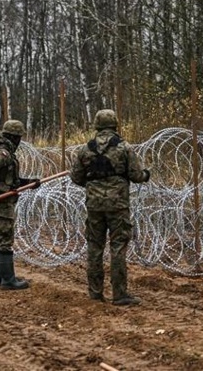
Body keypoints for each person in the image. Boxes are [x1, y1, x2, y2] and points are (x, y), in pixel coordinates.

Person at [70, 109, 150, 306]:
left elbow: (76, 177)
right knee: (118, 246)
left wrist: (94, 186)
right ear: (115, 125)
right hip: (118, 204)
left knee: (95, 247)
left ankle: (95, 293)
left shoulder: (85, 149)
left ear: (97, 126)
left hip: (94, 205)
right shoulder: (124, 147)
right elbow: (136, 176)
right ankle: (120, 294)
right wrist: (146, 174)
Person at [0, 120, 40, 290]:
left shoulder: (5, 152)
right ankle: (8, 280)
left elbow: (9, 181)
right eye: (18, 137)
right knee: (5, 238)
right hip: (3, 202)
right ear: (13, 137)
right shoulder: (3, 152)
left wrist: (29, 182)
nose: (19, 141)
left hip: (3, 199)